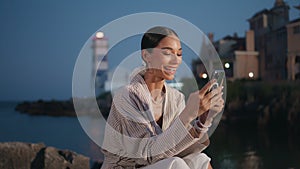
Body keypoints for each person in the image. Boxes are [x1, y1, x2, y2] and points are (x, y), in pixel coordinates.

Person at [101, 26, 224, 169]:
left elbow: (179, 147)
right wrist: (188, 114)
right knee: (175, 164)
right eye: (167, 53)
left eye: (179, 54)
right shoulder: (126, 97)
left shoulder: (176, 98)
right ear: (146, 55)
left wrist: (204, 119)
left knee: (200, 159)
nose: (176, 60)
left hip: (158, 163)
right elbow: (147, 155)